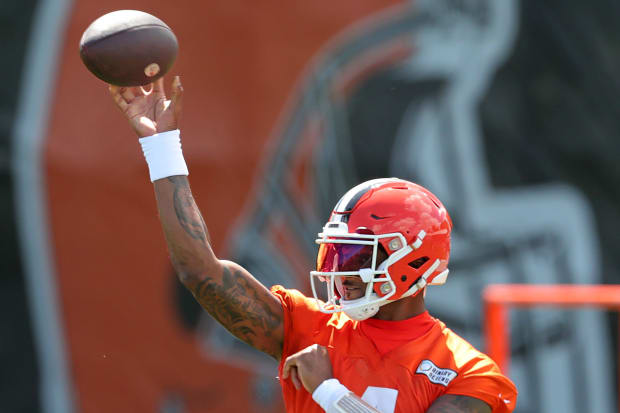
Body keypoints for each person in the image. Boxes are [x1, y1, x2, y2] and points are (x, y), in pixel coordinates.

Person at [109, 77, 517, 413]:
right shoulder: (312, 328)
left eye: (357, 255)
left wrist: (328, 391)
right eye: (337, 252)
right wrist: (161, 148)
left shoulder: (470, 374)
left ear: (416, 260)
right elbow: (199, 271)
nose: (340, 270)